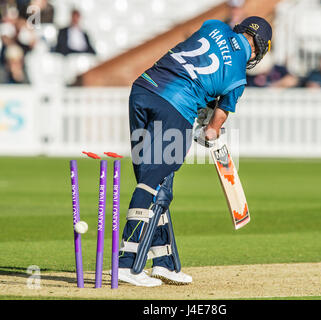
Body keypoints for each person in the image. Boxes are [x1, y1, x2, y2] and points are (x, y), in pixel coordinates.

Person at [114, 16, 272, 287]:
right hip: (175, 106)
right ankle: (126, 264)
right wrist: (207, 131)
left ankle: (163, 262)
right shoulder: (237, 80)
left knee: (158, 183)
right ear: (257, 49)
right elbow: (212, 130)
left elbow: (202, 60)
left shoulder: (214, 26)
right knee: (152, 183)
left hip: (141, 91)